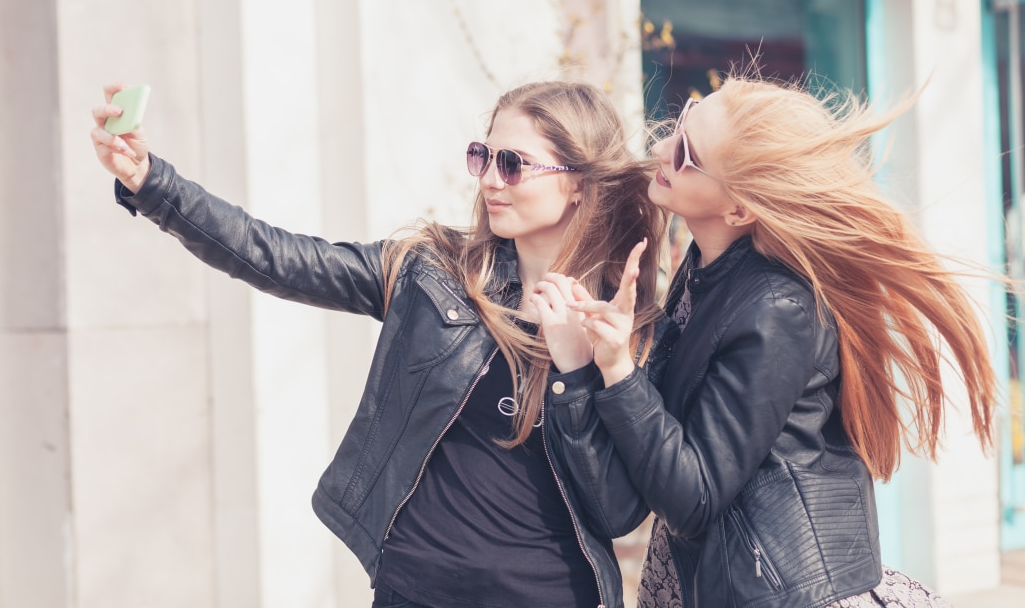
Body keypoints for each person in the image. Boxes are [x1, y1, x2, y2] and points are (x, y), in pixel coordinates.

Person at [89, 79, 666, 608]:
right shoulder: (433, 272)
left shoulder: (625, 324)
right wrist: (149, 182)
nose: (490, 178)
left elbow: (617, 510)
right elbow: (276, 256)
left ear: (578, 186)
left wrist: (577, 371)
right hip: (415, 590)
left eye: (513, 164)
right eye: (483, 156)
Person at [536, 74, 1000, 608]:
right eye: (682, 120)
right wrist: (590, 363)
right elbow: (635, 482)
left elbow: (694, 497)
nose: (663, 146)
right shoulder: (705, 271)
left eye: (686, 151)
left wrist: (618, 370)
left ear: (739, 208)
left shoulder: (778, 309)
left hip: (781, 591)